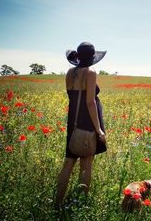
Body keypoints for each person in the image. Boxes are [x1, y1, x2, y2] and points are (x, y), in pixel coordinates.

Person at [55, 42, 107, 208]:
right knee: (86, 163)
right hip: (88, 121)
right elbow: (90, 102)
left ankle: (57, 203)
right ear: (92, 57)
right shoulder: (91, 72)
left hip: (73, 119)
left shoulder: (70, 72)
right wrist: (98, 129)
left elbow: (72, 97)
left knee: (69, 161)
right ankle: (79, 205)